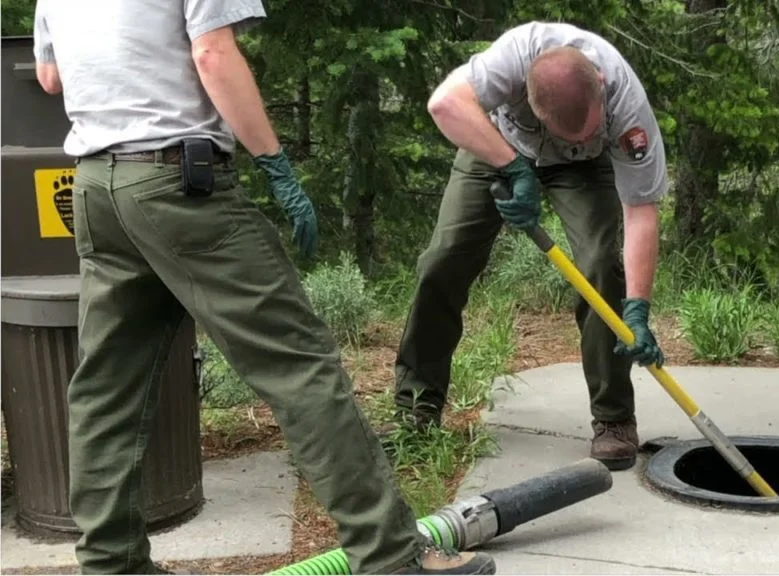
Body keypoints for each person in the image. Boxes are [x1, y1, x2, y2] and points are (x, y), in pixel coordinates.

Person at [31, 0, 495, 574]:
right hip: (177, 186)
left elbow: (50, 76)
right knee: (298, 363)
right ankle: (391, 554)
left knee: (107, 384)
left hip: (97, 189)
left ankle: (110, 563)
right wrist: (274, 163)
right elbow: (212, 51)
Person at [389, 21, 668, 471]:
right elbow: (445, 103)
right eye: (571, 133)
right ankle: (416, 407)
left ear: (600, 85)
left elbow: (640, 210)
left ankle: (614, 419)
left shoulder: (625, 103)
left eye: (588, 129)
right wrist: (513, 167)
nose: (581, 135)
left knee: (600, 265)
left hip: (582, 169)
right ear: (528, 101)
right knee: (443, 260)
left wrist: (637, 308)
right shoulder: (512, 59)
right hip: (500, 147)